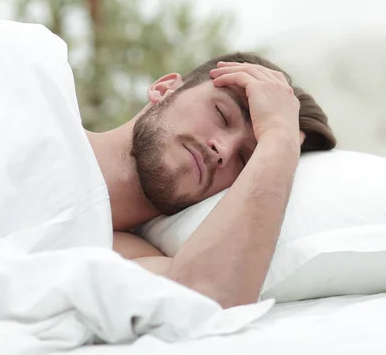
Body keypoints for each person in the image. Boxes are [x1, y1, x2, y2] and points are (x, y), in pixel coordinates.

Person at [87, 52, 336, 308]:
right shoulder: (45, 96)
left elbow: (203, 300)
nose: (223, 150)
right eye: (221, 114)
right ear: (165, 88)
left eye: (244, 159)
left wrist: (280, 139)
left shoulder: (117, 257)